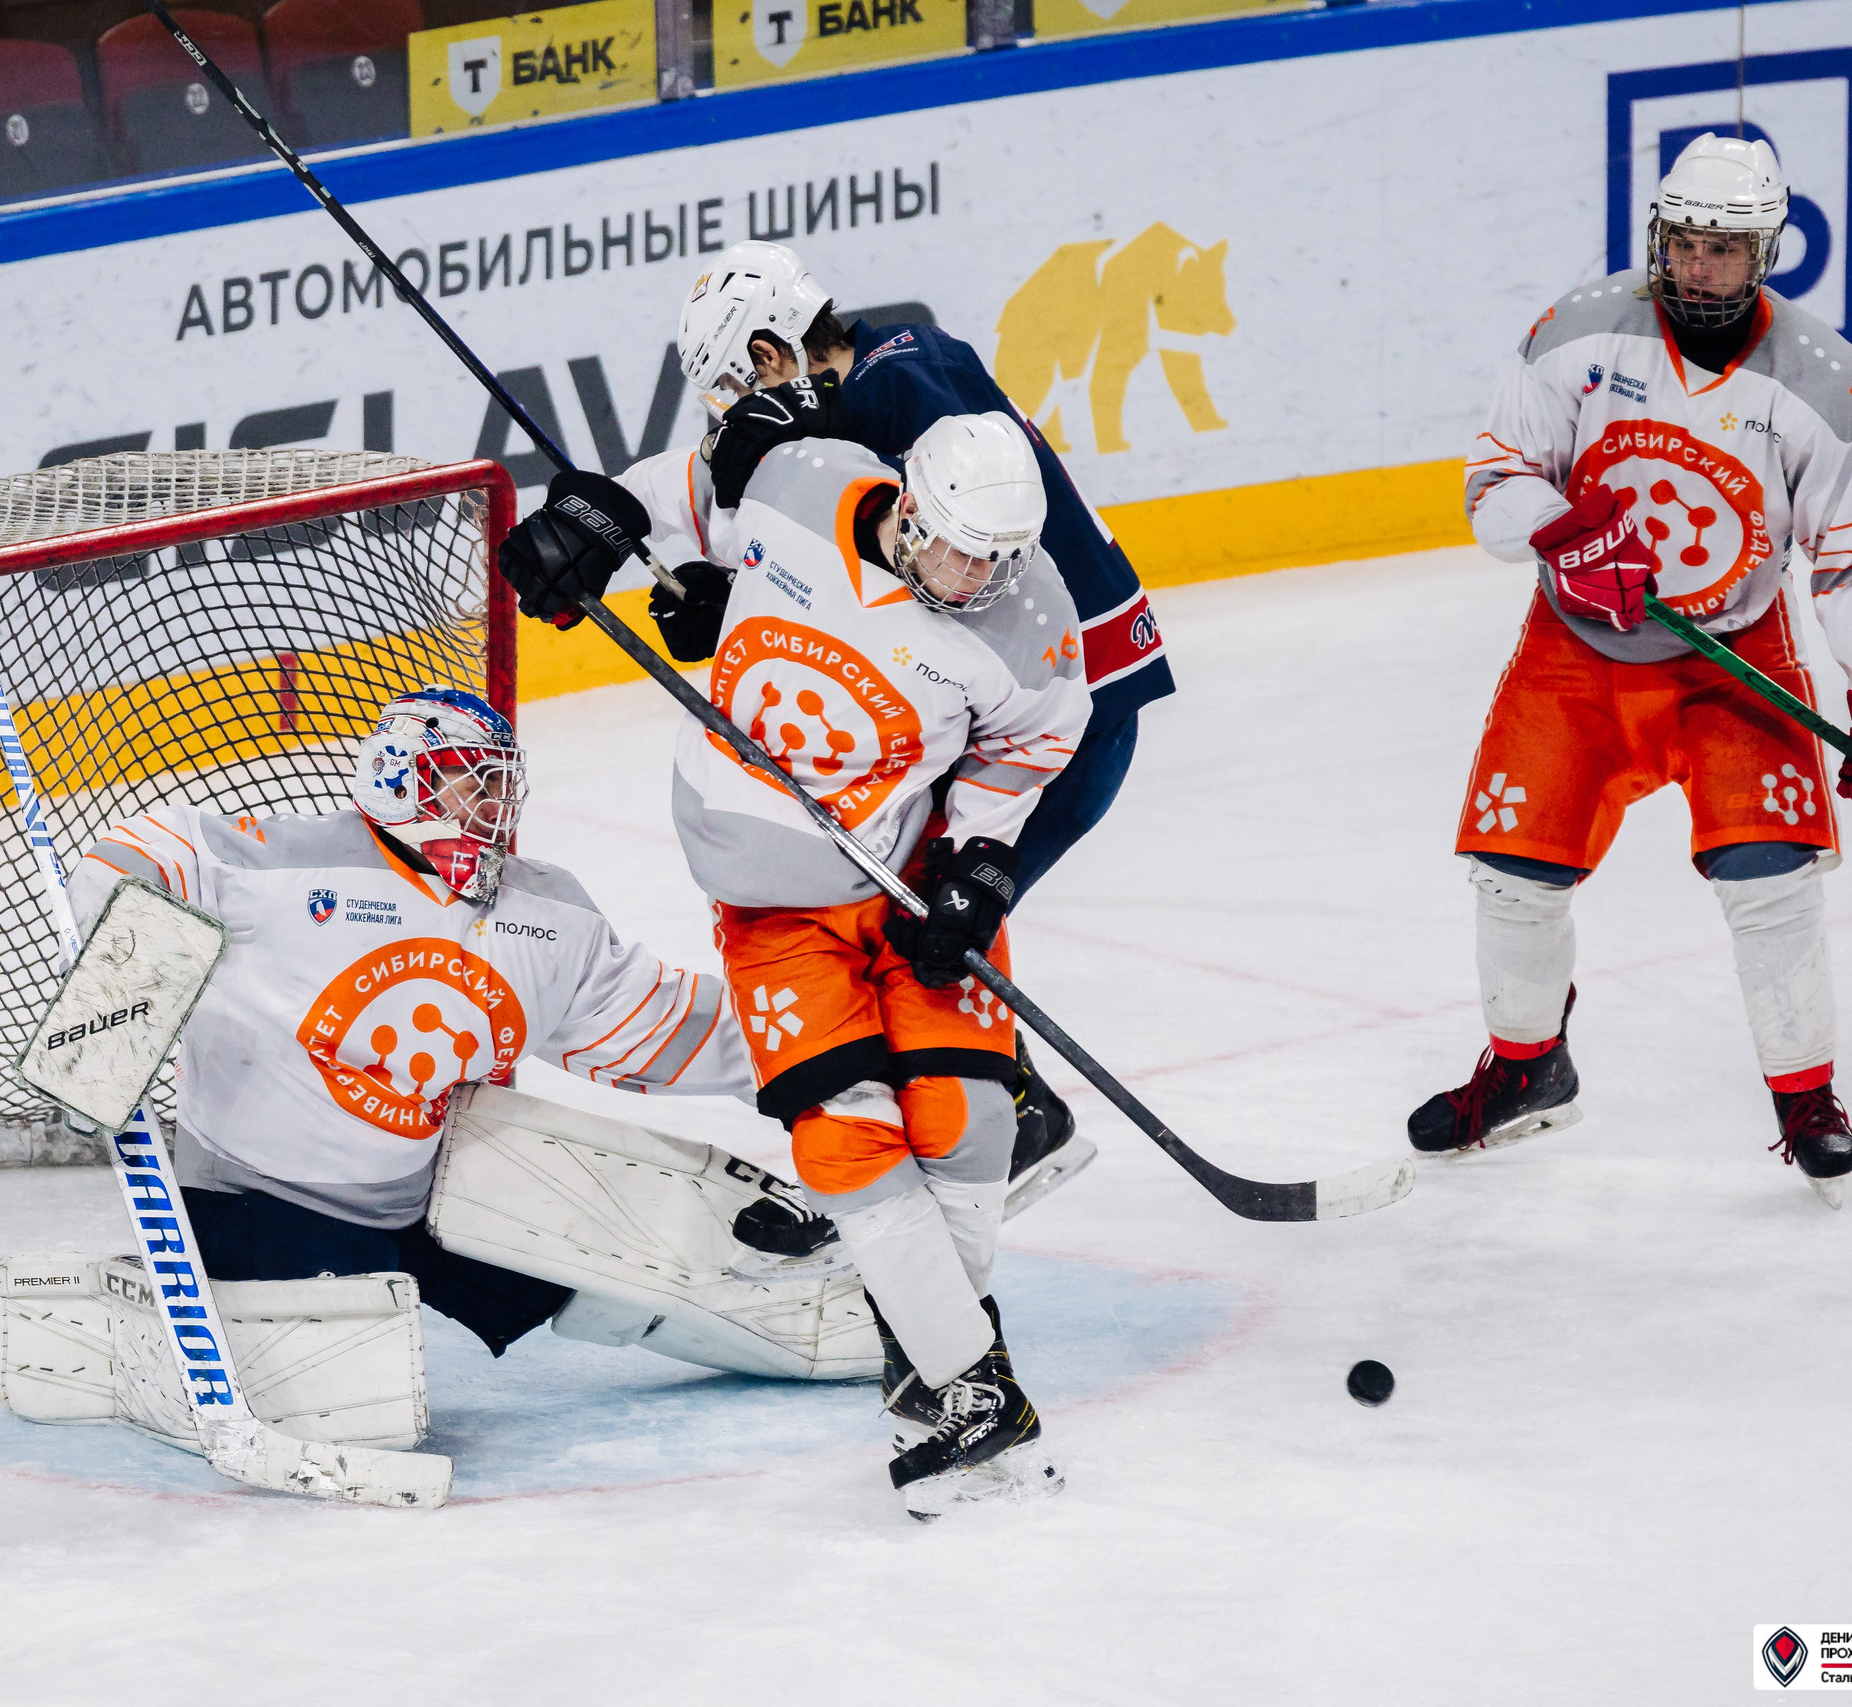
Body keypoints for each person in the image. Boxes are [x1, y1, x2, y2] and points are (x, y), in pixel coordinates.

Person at [495, 413, 1087, 1516]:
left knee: (966, 1124)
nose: (978, 579)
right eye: (961, 550)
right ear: (909, 506)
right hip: (772, 903)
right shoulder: (800, 482)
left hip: (907, 879)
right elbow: (679, 501)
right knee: (844, 1139)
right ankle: (968, 1384)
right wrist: (599, 519)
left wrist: (978, 862)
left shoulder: (1028, 616)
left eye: (997, 559)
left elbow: (1030, 744)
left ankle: (937, 1378)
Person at [1426, 133, 1852, 1201]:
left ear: (1766, 252)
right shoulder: (1577, 331)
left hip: (1733, 660)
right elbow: (1494, 480)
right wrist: (1564, 533)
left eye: (1723, 249)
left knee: (1772, 883)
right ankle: (1525, 1068)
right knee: (1513, 878)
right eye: (1684, 243)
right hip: (1576, 652)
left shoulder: (1827, 380)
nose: (1698, 267)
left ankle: (1804, 1097)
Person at [615, 239, 1167, 1192]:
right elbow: (880, 575)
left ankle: (984, 1131)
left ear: (769, 356)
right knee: (917, 931)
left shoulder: (905, 372)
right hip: (1045, 705)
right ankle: (964, 1129)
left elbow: (913, 473)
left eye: (740, 396)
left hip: (1061, 723)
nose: (739, 423)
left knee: (921, 931)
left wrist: (801, 415)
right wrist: (735, 593)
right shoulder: (878, 387)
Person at [62, 685, 766, 1350]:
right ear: (400, 777)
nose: (495, 805)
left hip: (431, 1203)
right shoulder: (280, 867)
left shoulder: (543, 912)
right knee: (357, 1372)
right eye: (473, 781)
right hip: (256, 1202)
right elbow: (139, 854)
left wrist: (795, 1053)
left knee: (613, 1282)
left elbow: (653, 1021)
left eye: (501, 785)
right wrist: (115, 998)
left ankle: (774, 1317)